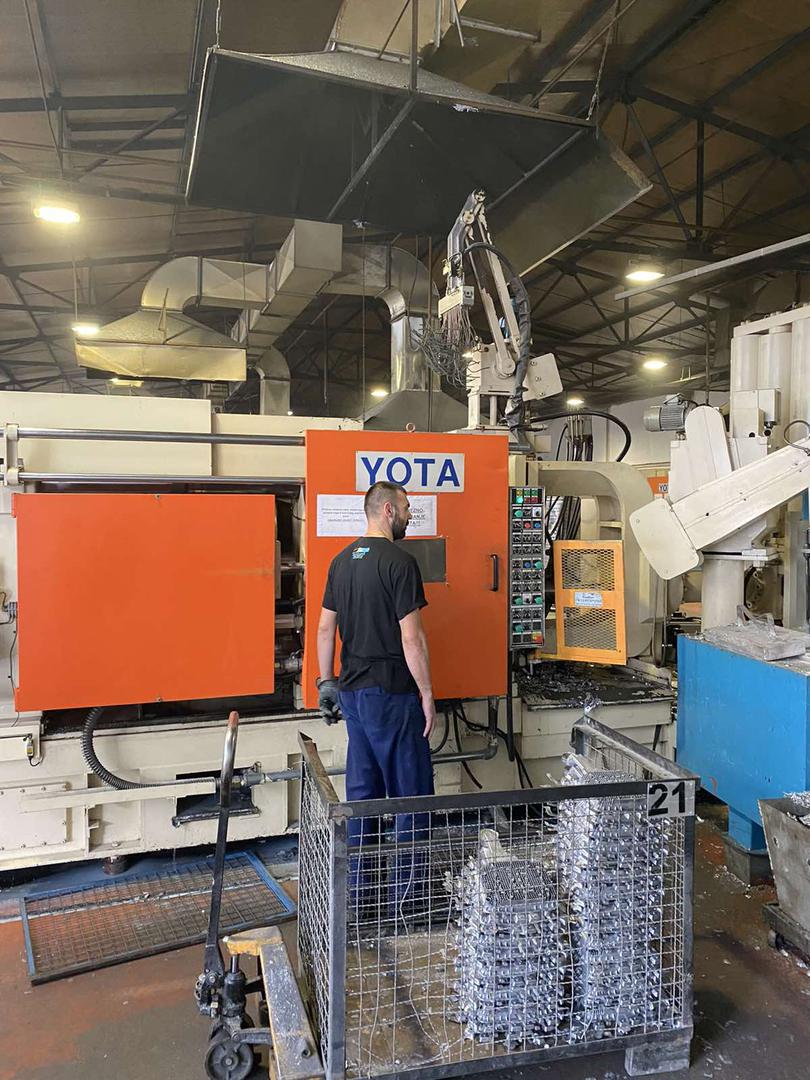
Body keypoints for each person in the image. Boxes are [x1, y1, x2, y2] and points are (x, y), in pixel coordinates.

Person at [316, 480, 435, 918]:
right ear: (387, 510)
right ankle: (408, 901)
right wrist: (427, 693)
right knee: (409, 795)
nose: (409, 515)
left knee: (363, 797)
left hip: (353, 695)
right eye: (406, 508)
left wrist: (326, 682)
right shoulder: (400, 563)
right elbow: (412, 638)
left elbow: (325, 628)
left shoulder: (341, 561)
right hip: (393, 695)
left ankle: (360, 899)